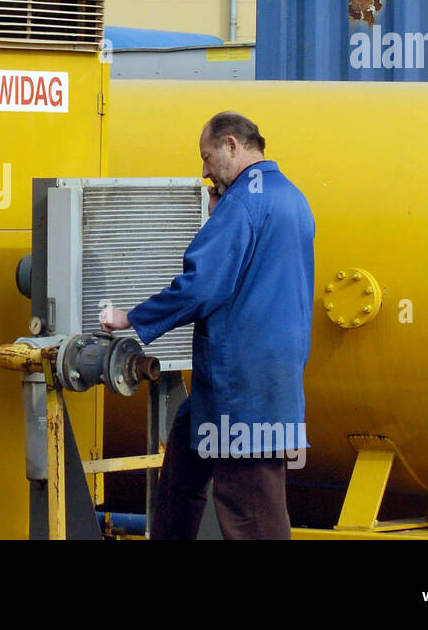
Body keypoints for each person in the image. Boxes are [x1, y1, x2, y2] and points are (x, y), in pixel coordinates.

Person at [100, 112, 315, 540]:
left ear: (232, 146)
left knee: (251, 508)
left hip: (241, 386)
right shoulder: (292, 198)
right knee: (181, 470)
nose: (204, 171)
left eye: (207, 156)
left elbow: (202, 287)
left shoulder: (243, 203)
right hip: (272, 378)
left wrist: (132, 317)